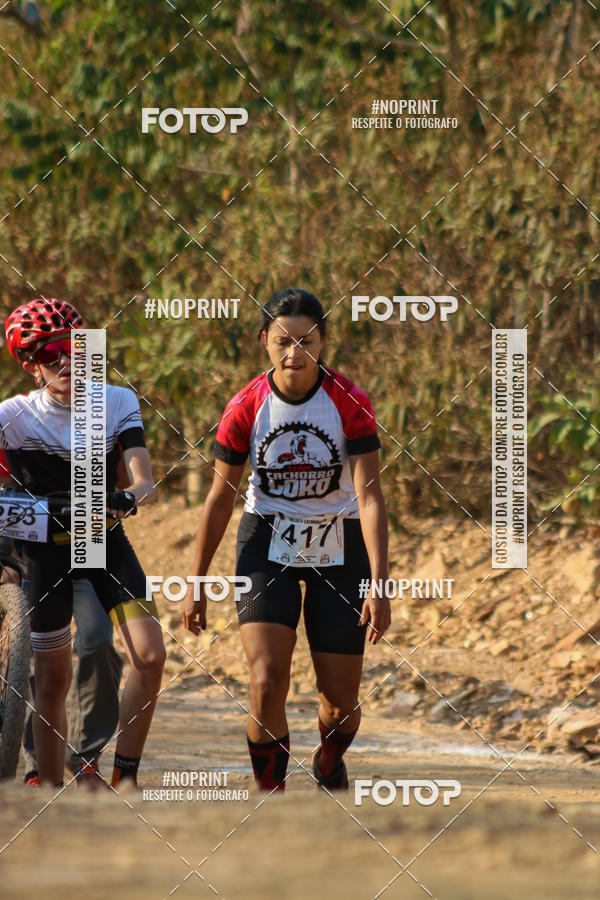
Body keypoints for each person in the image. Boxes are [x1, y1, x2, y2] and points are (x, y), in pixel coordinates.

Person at [183, 288, 390, 791]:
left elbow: (370, 497)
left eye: (306, 341)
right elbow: (218, 499)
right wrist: (195, 581)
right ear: (264, 343)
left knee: (340, 705)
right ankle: (270, 801)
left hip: (339, 543)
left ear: (322, 343)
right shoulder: (245, 406)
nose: (294, 353)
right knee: (266, 680)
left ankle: (328, 760)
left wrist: (380, 584)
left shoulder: (349, 402)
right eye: (283, 341)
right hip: (266, 541)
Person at [0, 297, 165, 788]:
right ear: (31, 367)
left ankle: (125, 774)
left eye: (76, 348)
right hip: (43, 552)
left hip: (102, 541)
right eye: (53, 356)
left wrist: (125, 498)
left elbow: (145, 483)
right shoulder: (11, 417)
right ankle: (48, 791)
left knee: (151, 656)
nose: (68, 362)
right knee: (52, 681)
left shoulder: (116, 401)